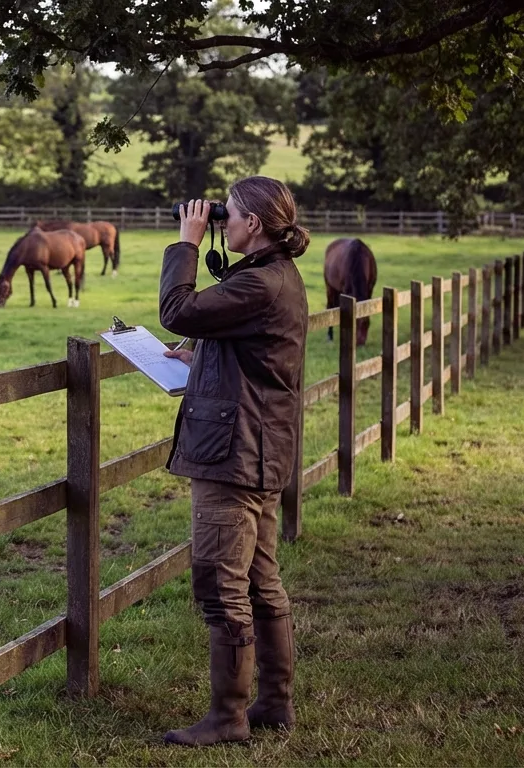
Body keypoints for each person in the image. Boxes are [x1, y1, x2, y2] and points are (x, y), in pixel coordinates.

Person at [158, 177, 310, 746]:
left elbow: (178, 308)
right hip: (258, 448)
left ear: (257, 225)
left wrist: (187, 242)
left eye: (233, 212)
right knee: (259, 578)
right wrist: (203, 347)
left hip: (235, 454)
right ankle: (274, 702)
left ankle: (228, 716)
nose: (225, 218)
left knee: (221, 583)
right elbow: (243, 339)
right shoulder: (272, 277)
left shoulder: (263, 283)